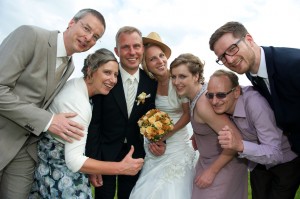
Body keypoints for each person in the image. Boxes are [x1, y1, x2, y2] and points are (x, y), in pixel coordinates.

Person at [0, 8, 106, 198]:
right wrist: (49, 121)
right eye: (86, 28)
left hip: (26, 152)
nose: (88, 37)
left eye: (95, 36)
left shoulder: (70, 66)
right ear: (71, 22)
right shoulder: (30, 35)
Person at [28, 48, 145, 198]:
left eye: (115, 75)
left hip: (46, 166)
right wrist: (121, 168)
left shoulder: (75, 83)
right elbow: (74, 162)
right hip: (60, 172)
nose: (113, 80)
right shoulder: (78, 105)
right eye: (107, 72)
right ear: (91, 70)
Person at [86, 26, 163, 199]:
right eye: (125, 47)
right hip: (104, 154)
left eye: (136, 46)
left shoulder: (151, 83)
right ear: (117, 51)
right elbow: (94, 123)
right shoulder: (106, 78)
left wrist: (159, 140)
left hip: (135, 155)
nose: (132, 52)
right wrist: (94, 163)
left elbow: (151, 119)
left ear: (142, 48)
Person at [209, 21, 300, 154]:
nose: (230, 60)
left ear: (249, 40)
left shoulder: (294, 64)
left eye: (232, 49)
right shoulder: (249, 72)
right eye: (222, 57)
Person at [207, 69, 300, 199]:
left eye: (221, 95)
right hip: (258, 162)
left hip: (285, 160)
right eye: (210, 95)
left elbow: (275, 154)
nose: (214, 101)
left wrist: (239, 145)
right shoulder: (223, 104)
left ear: (236, 92)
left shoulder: (255, 104)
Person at [170, 53, 248, 199]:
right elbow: (212, 124)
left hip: (223, 165)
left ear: (196, 76)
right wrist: (199, 133)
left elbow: (235, 140)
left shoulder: (204, 104)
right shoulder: (197, 96)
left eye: (182, 76)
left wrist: (211, 171)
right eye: (173, 77)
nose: (176, 81)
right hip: (208, 161)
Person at [129, 32, 196, 199]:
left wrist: (165, 135)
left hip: (178, 146)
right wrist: (153, 140)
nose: (160, 61)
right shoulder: (148, 85)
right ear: (146, 64)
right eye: (153, 59)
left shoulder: (177, 80)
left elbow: (187, 115)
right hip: (155, 146)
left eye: (161, 56)